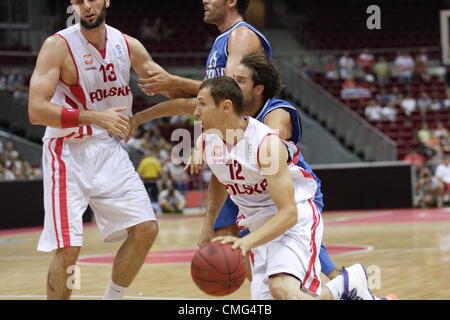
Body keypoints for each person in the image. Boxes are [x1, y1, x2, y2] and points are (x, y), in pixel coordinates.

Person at [128, 51, 341, 280]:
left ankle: (337, 279)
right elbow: (184, 106)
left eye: (240, 80)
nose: (233, 83)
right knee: (225, 239)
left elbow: (267, 146)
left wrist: (211, 141)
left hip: (289, 183)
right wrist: (140, 118)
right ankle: (270, 284)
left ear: (257, 89)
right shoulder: (222, 112)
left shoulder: (275, 113)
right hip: (246, 182)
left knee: (293, 231)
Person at [26, 0, 183, 300]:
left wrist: (213, 89)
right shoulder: (57, 46)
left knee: (146, 228)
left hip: (108, 150)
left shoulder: (128, 45)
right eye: (78, 1)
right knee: (69, 248)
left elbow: (168, 86)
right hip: (67, 150)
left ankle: (112, 298)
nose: (86, 5)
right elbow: (36, 110)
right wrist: (94, 116)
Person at [193, 76, 385, 300]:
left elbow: (288, 213)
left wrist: (244, 242)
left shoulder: (266, 144)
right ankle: (347, 285)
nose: (196, 112)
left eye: (202, 104)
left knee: (283, 289)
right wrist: (208, 227)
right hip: (259, 229)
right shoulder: (206, 141)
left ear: (226, 106)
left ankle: (344, 285)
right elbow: (220, 179)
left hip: (294, 219)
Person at [137, 0, 271, 97]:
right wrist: (165, 85)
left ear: (231, 2)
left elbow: (232, 90)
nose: (204, 1)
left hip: (246, 130)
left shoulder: (241, 35)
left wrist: (174, 81)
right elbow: (205, 94)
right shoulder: (223, 38)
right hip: (227, 130)